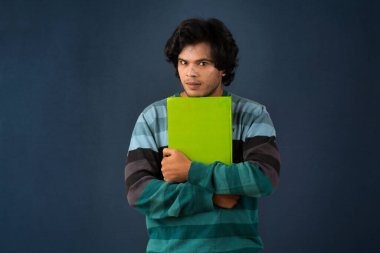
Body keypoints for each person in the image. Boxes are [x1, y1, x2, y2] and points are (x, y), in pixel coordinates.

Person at [125, 18, 280, 253]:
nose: (190, 73)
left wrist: (191, 171)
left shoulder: (252, 115)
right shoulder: (153, 117)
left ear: (223, 67)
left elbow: (264, 178)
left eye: (203, 63)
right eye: (183, 62)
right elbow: (138, 192)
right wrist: (209, 197)